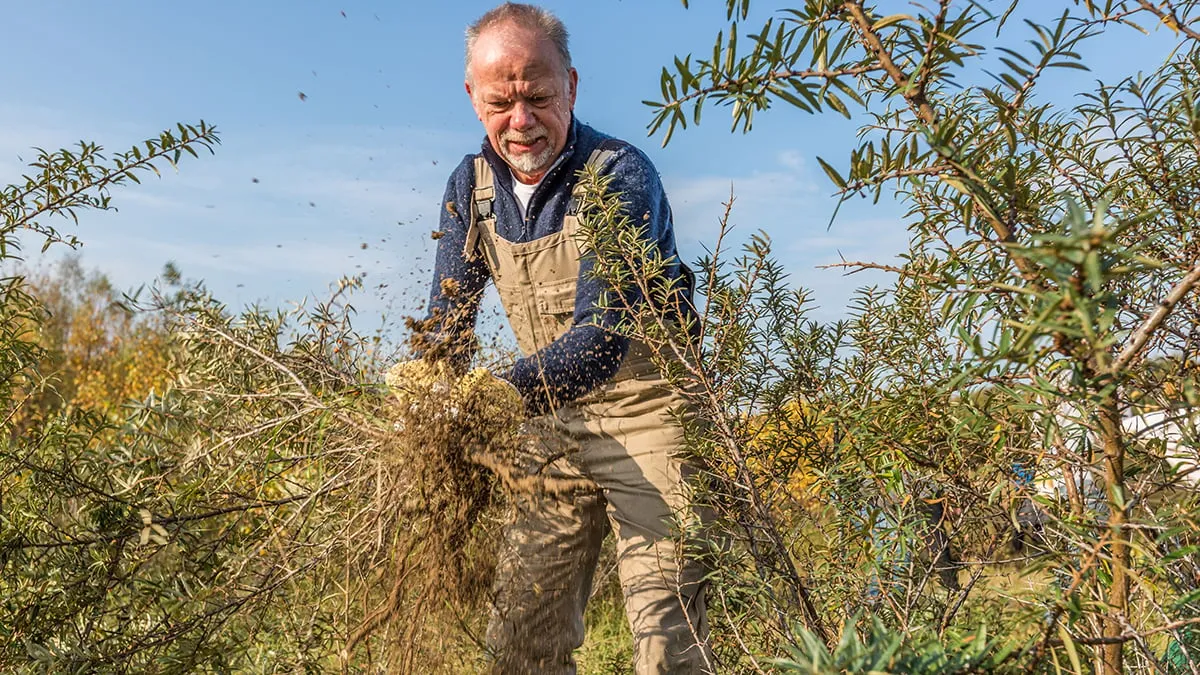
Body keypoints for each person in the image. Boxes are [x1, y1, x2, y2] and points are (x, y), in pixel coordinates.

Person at [402, 3, 711, 673]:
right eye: (500, 101)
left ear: (570, 85)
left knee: (669, 636)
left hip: (648, 416)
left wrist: (490, 396)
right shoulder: (470, 186)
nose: (521, 121)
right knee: (520, 641)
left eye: (538, 97)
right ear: (471, 98)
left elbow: (600, 340)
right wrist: (423, 402)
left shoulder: (618, 175)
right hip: (550, 424)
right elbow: (447, 327)